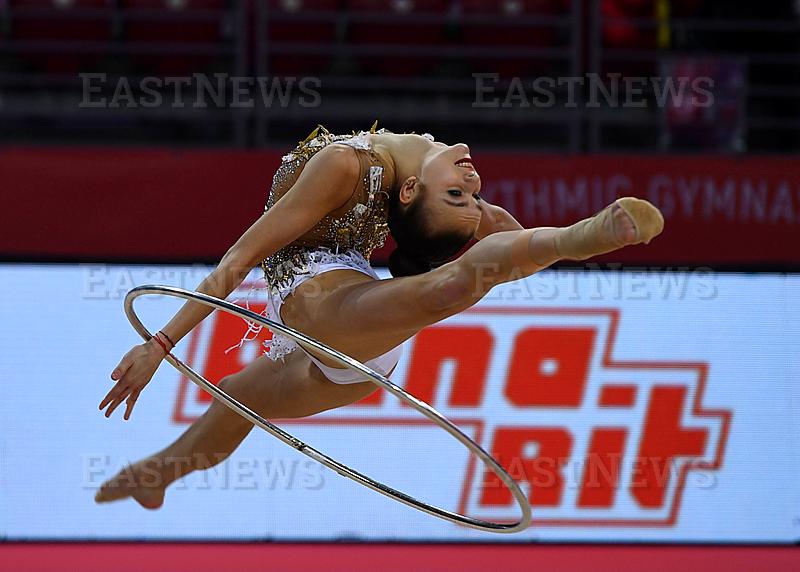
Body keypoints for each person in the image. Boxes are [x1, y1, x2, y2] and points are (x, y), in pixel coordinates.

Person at [95, 124, 663, 509]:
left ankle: (579, 235)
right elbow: (241, 258)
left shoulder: (365, 169)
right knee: (234, 404)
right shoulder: (377, 168)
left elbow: (239, 259)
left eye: (461, 196)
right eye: (467, 194)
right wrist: (159, 345)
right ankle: (159, 476)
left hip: (336, 314)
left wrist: (160, 344)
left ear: (412, 190)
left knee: (444, 290)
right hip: (347, 344)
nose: (473, 184)